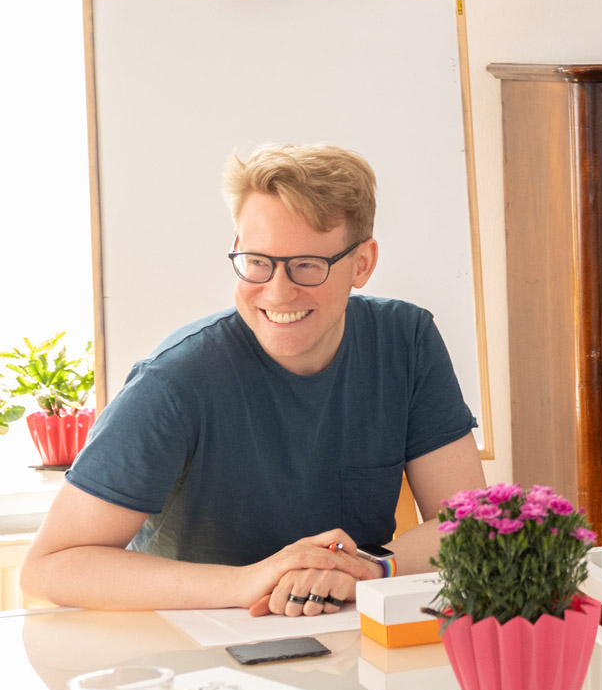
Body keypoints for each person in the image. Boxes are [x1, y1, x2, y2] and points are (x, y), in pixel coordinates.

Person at [21, 144, 486, 614]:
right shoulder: (174, 381)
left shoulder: (406, 341)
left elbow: (471, 526)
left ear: (362, 263)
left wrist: (365, 568)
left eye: (307, 265)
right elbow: (49, 567)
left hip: (344, 631)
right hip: (194, 644)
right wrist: (249, 582)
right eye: (257, 261)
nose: (278, 293)